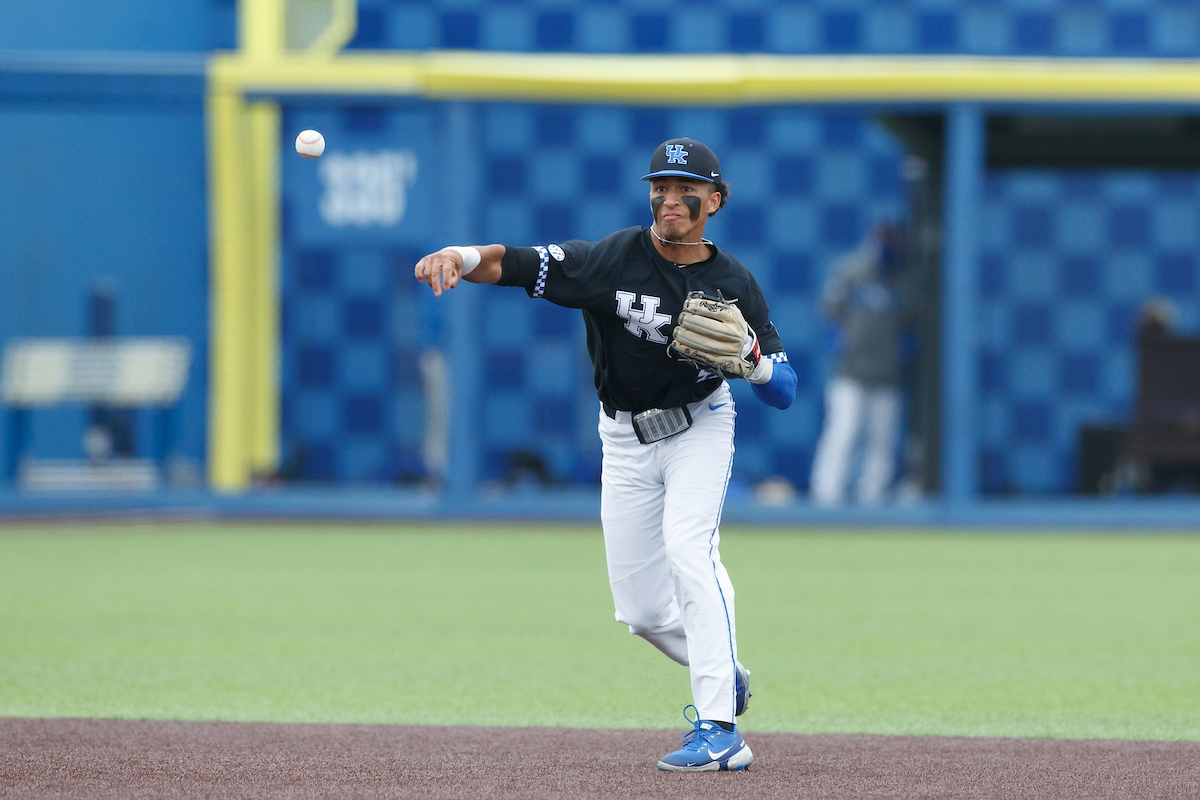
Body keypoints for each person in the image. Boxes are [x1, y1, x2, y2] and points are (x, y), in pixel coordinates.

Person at [414, 138, 796, 772]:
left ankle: (720, 731)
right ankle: (723, 671)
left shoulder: (734, 284)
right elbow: (516, 263)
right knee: (642, 612)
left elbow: (785, 389)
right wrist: (457, 255)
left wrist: (752, 362)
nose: (671, 198)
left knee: (689, 549)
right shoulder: (614, 260)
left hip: (699, 427)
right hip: (622, 439)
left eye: (686, 189)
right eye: (661, 187)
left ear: (716, 200)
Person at [810, 224, 910, 507]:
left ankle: (873, 499)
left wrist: (902, 353)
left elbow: (913, 326)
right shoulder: (852, 272)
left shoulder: (904, 279)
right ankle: (826, 497)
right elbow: (829, 315)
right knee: (842, 433)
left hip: (887, 376)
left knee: (882, 441)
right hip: (850, 374)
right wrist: (842, 346)